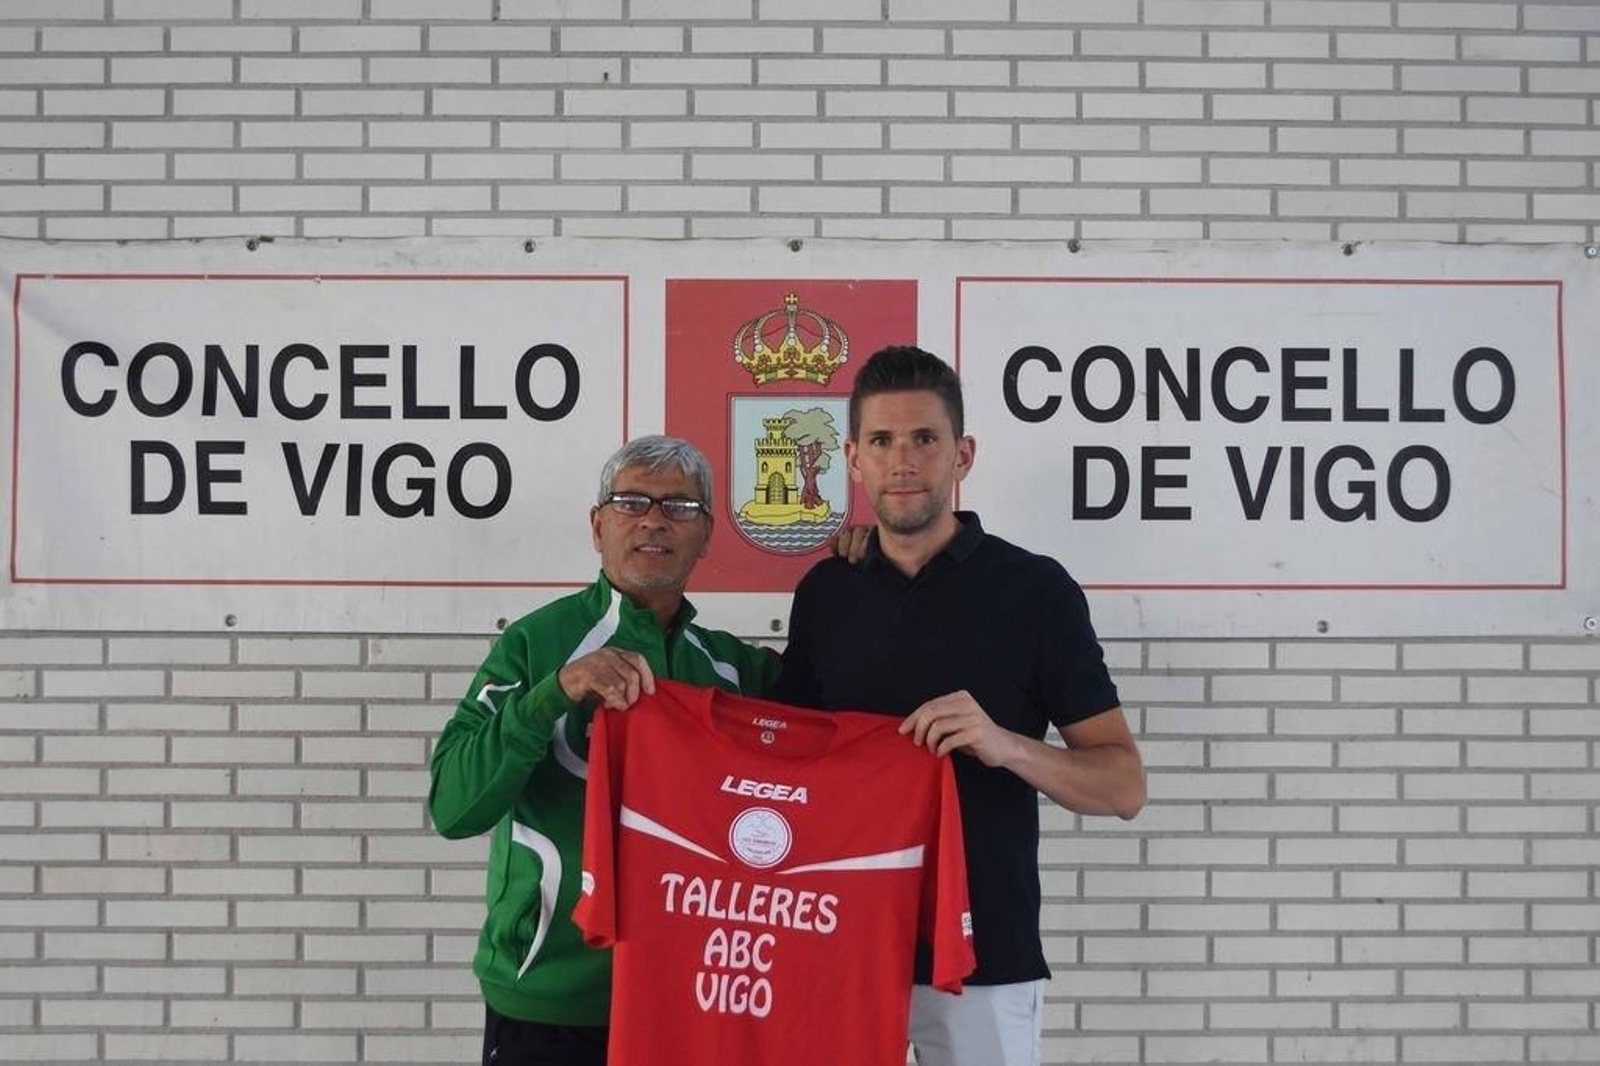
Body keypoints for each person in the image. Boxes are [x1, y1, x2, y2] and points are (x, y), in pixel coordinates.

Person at [774, 346, 1147, 1066]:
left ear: (962, 454)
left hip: (987, 954)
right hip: (842, 944)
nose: (902, 460)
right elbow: (795, 768)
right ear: (852, 458)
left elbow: (1125, 786)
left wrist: (1007, 744)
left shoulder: (1035, 592)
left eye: (924, 439)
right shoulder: (826, 594)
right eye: (882, 441)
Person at [428, 436, 779, 1066]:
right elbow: (454, 806)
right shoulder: (535, 644)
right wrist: (553, 694)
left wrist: (861, 569)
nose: (653, 519)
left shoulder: (733, 668)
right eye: (631, 501)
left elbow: (853, 722)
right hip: (551, 1002)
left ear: (707, 537)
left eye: (680, 507)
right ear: (598, 525)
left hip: (693, 1000)